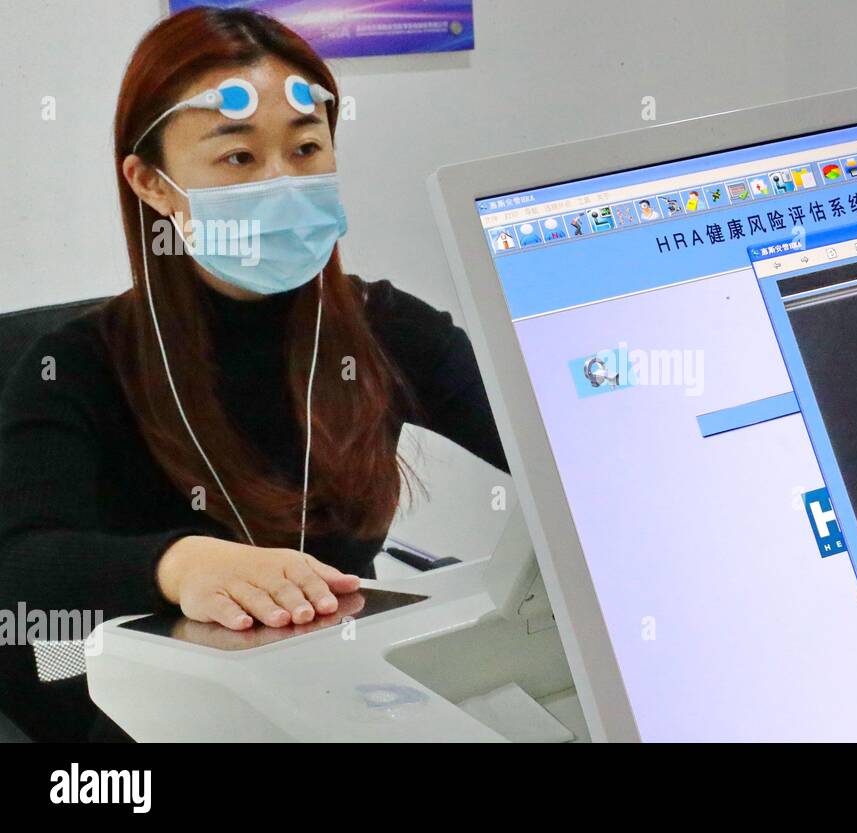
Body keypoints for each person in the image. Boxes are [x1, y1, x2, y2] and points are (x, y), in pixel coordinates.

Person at [0, 7, 507, 741]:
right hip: (125, 714)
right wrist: (176, 564)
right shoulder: (74, 365)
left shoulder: (385, 328)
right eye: (238, 157)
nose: (282, 181)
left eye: (306, 148)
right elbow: (21, 563)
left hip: (322, 692)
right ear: (153, 184)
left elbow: (550, 447)